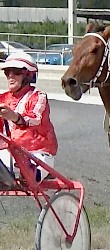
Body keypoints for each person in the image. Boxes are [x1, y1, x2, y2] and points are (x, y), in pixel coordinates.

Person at [0, 52, 58, 183]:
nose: (10, 76)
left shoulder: (38, 97)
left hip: (38, 154)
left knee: (28, 175)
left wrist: (14, 116)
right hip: (9, 154)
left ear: (28, 75)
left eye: (15, 71)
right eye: (7, 72)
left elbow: (35, 118)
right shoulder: (3, 98)